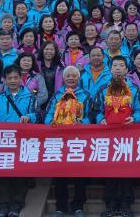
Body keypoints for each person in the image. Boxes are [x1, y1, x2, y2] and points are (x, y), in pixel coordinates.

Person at [0, 65, 36, 217]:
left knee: (19, 174)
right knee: (2, 174)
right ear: (4, 80)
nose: (12, 81)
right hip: (3, 141)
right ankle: (3, 205)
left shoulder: (30, 96)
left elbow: (37, 114)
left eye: (15, 78)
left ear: (21, 79)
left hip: (22, 141)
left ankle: (16, 205)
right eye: (9, 78)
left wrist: (30, 117)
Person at [95, 56, 140, 217]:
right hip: (108, 136)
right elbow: (96, 109)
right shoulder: (103, 89)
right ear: (110, 68)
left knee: (126, 169)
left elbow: (139, 109)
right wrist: (100, 119)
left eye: (121, 65)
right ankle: (110, 204)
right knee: (110, 169)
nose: (118, 68)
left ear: (127, 70)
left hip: (128, 135)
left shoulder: (134, 88)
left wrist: (135, 118)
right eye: (115, 65)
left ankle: (126, 204)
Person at [44, 66, 91, 217]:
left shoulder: (85, 95)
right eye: (68, 76)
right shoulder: (57, 95)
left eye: (73, 76)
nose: (70, 78)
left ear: (79, 78)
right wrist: (51, 124)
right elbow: (48, 114)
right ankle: (60, 206)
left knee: (79, 174)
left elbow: (92, 114)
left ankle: (78, 206)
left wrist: (83, 122)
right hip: (60, 140)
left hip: (79, 140)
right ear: (63, 79)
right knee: (60, 173)